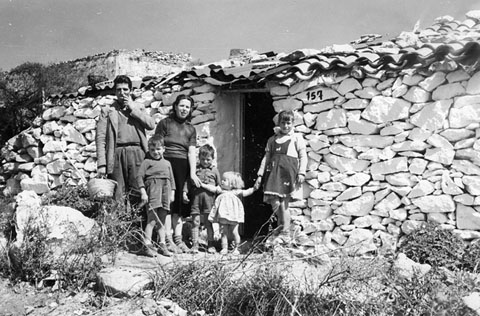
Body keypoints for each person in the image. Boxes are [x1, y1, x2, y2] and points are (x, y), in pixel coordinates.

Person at [96, 75, 156, 203]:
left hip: (137, 153)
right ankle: (120, 222)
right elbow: (100, 139)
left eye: (125, 89)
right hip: (116, 153)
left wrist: (132, 107)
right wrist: (102, 164)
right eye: (119, 90)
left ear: (130, 90)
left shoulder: (138, 107)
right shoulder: (107, 110)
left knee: (138, 190)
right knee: (118, 193)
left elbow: (151, 125)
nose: (122, 93)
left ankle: (138, 222)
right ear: (115, 92)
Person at [155, 95, 201, 253]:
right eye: (181, 106)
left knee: (180, 207)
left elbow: (192, 152)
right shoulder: (165, 123)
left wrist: (193, 174)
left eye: (187, 107)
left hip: (183, 167)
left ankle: (178, 240)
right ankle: (167, 240)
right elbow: (157, 147)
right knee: (168, 204)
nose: (184, 109)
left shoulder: (191, 129)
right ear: (175, 106)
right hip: (166, 165)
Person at [254, 110, 307, 243]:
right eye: (283, 123)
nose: (286, 126)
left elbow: (303, 156)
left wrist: (301, 172)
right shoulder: (272, 140)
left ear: (293, 123)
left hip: (288, 174)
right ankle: (281, 225)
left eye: (288, 123)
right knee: (275, 202)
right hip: (273, 173)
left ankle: (285, 231)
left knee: (284, 204)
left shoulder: (296, 139)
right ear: (279, 123)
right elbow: (266, 158)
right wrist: (260, 174)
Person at [136, 135, 175, 257]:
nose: (155, 152)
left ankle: (162, 244)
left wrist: (172, 193)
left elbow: (172, 179)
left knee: (162, 219)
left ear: (164, 149)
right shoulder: (147, 162)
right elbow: (139, 177)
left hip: (165, 190)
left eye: (158, 149)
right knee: (152, 219)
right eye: (152, 150)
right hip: (153, 189)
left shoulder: (168, 163)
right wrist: (143, 192)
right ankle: (147, 245)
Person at [208, 171, 256, 255]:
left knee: (235, 232)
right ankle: (224, 248)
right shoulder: (221, 190)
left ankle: (236, 248)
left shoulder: (235, 192)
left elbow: (246, 192)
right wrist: (202, 184)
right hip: (223, 215)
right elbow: (212, 188)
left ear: (232, 184)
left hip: (234, 216)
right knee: (224, 232)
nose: (222, 181)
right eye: (222, 180)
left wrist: (254, 188)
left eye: (225, 180)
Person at [188, 144, 221, 254]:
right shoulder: (195, 170)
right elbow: (188, 182)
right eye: (203, 159)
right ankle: (195, 245)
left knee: (208, 223)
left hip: (209, 201)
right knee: (195, 222)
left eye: (208, 159)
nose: (205, 162)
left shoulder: (215, 171)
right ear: (199, 158)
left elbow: (219, 187)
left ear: (213, 159)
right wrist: (184, 192)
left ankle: (210, 245)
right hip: (196, 200)